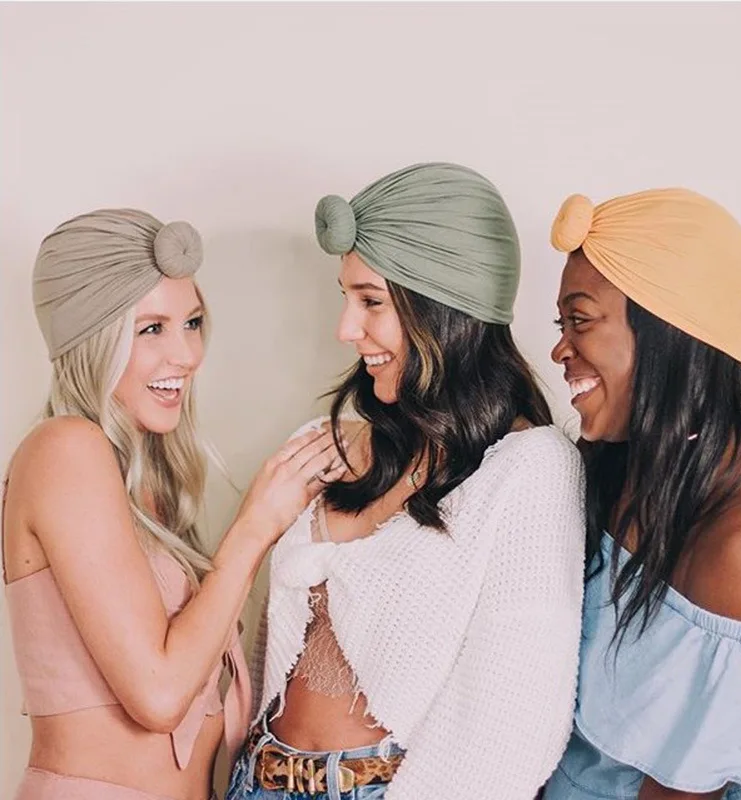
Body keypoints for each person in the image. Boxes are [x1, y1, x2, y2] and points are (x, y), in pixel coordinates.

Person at [227, 162, 587, 800]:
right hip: (254, 779)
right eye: (347, 298)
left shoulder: (531, 470)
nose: (345, 329)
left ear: (445, 309)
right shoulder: (327, 446)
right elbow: (263, 658)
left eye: (371, 301)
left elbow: (511, 731)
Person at [2, 209, 345, 800]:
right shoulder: (65, 449)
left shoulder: (143, 480)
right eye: (150, 329)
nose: (186, 354)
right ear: (92, 340)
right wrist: (256, 524)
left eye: (191, 322)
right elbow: (159, 694)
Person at [544, 189, 741, 799]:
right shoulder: (624, 461)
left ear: (669, 333)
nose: (559, 349)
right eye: (561, 324)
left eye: (581, 320)